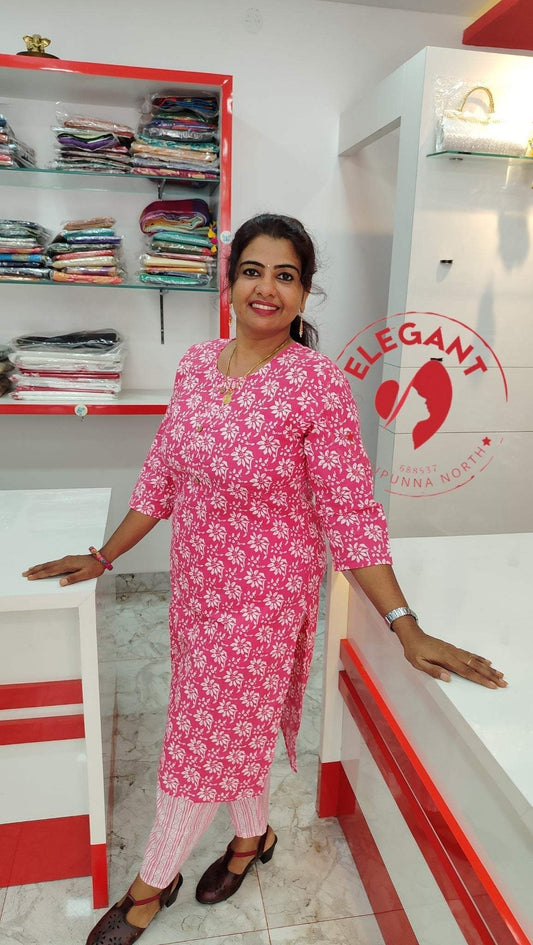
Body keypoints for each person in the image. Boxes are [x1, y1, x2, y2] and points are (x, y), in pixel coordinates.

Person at [23, 213, 507, 945]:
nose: (266, 287)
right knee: (229, 730)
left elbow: (349, 511)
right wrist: (103, 555)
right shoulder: (195, 366)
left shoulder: (316, 387)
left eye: (286, 275)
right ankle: (252, 841)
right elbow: (161, 478)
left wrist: (405, 622)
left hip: (262, 603)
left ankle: (151, 883)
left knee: (194, 743)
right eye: (253, 269)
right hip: (197, 592)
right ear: (229, 281)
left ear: (305, 294)